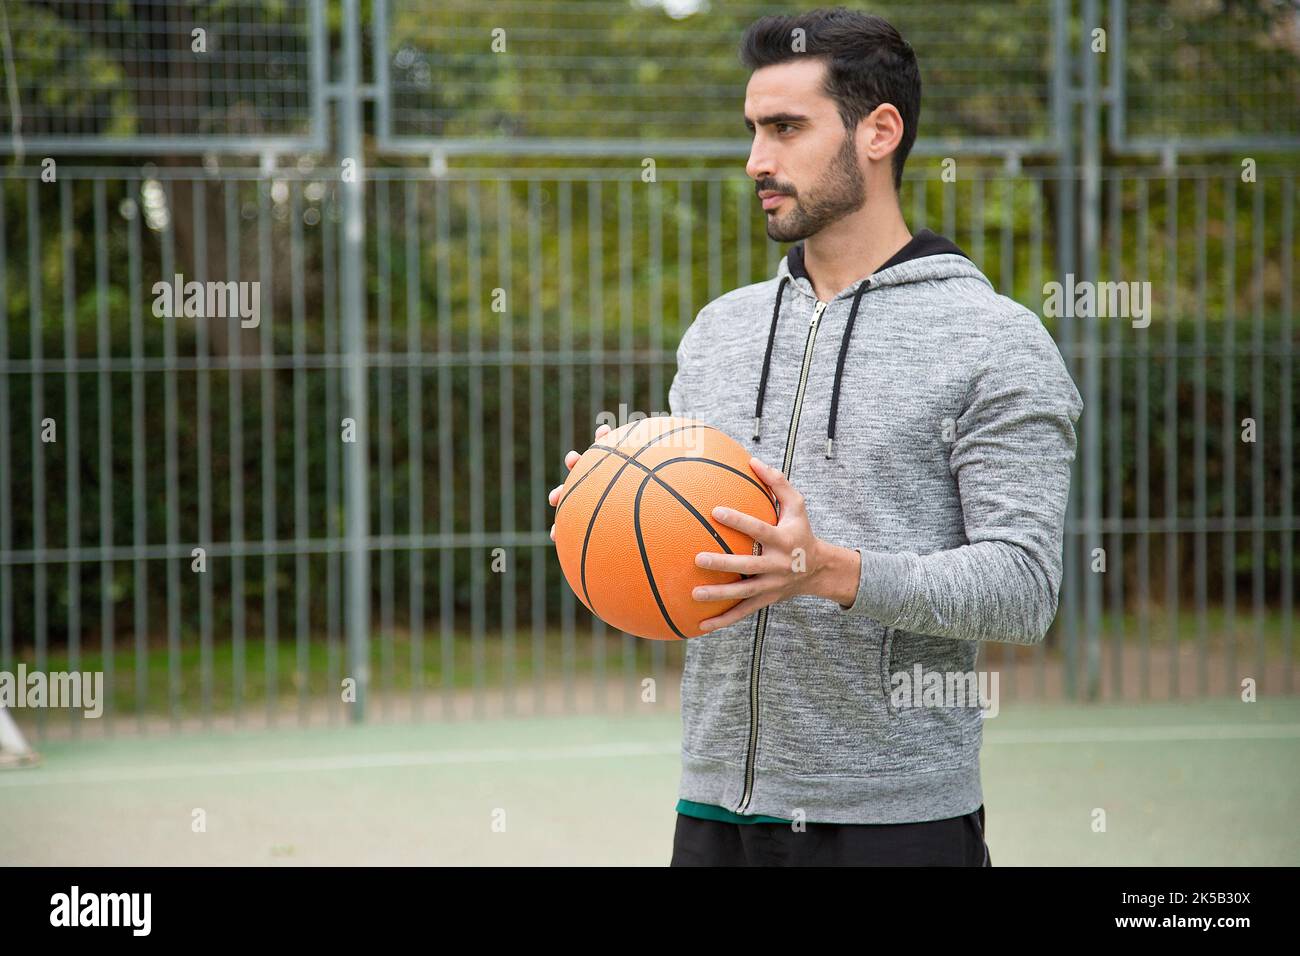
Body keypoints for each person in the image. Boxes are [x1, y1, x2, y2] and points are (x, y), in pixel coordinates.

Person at [550, 7, 1082, 866]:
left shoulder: (993, 339)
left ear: (879, 132)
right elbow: (688, 554)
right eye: (754, 130)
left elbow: (1024, 587)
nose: (758, 159)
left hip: (895, 819)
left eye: (787, 128)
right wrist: (605, 520)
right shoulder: (718, 332)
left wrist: (829, 571)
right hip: (715, 806)